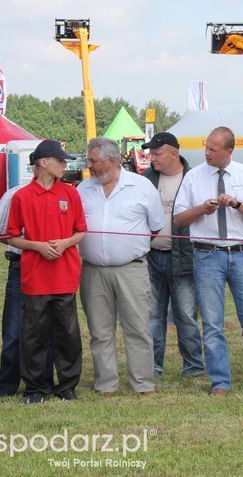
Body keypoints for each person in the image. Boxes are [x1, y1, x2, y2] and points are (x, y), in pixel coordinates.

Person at [174, 126, 243, 396]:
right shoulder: (193, 177)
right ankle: (220, 382)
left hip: (240, 255)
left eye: (213, 149)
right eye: (206, 147)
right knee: (212, 324)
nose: (207, 152)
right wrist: (201, 209)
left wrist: (237, 204)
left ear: (229, 151)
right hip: (206, 255)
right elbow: (178, 219)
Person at [77, 138, 166, 396]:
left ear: (112, 161)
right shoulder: (83, 189)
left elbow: (156, 225)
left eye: (93, 161)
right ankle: (106, 384)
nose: (89, 165)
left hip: (132, 269)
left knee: (137, 328)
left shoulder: (141, 187)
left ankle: (143, 384)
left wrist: (127, 247)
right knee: (99, 330)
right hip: (92, 270)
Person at [7, 139, 86, 404]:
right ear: (43, 163)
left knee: (68, 334)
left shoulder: (70, 193)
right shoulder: (21, 197)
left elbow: (81, 231)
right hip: (35, 277)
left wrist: (65, 243)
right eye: (60, 160)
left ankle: (67, 386)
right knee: (34, 336)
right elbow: (11, 237)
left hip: (65, 275)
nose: (65, 164)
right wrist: (37, 246)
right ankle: (35, 388)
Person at [0, 171, 55, 399]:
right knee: (15, 328)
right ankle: (6, 385)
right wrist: (27, 244)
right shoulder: (14, 194)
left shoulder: (64, 194)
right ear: (40, 166)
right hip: (22, 265)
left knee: (48, 328)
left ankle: (43, 382)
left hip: (51, 267)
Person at [142, 132, 205, 378]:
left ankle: (193, 367)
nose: (153, 159)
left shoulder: (195, 178)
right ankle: (153, 367)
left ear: (174, 153)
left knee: (186, 316)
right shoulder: (145, 179)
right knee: (153, 317)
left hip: (184, 257)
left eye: (157, 154)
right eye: (152, 154)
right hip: (151, 257)